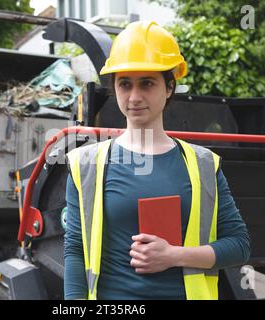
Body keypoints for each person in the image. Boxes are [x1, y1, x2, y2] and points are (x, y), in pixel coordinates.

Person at [64, 21, 250, 300]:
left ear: (169, 88)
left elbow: (239, 245)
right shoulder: (85, 165)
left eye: (147, 83)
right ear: (114, 89)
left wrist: (174, 256)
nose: (135, 97)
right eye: (125, 84)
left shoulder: (203, 165)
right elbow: (76, 252)